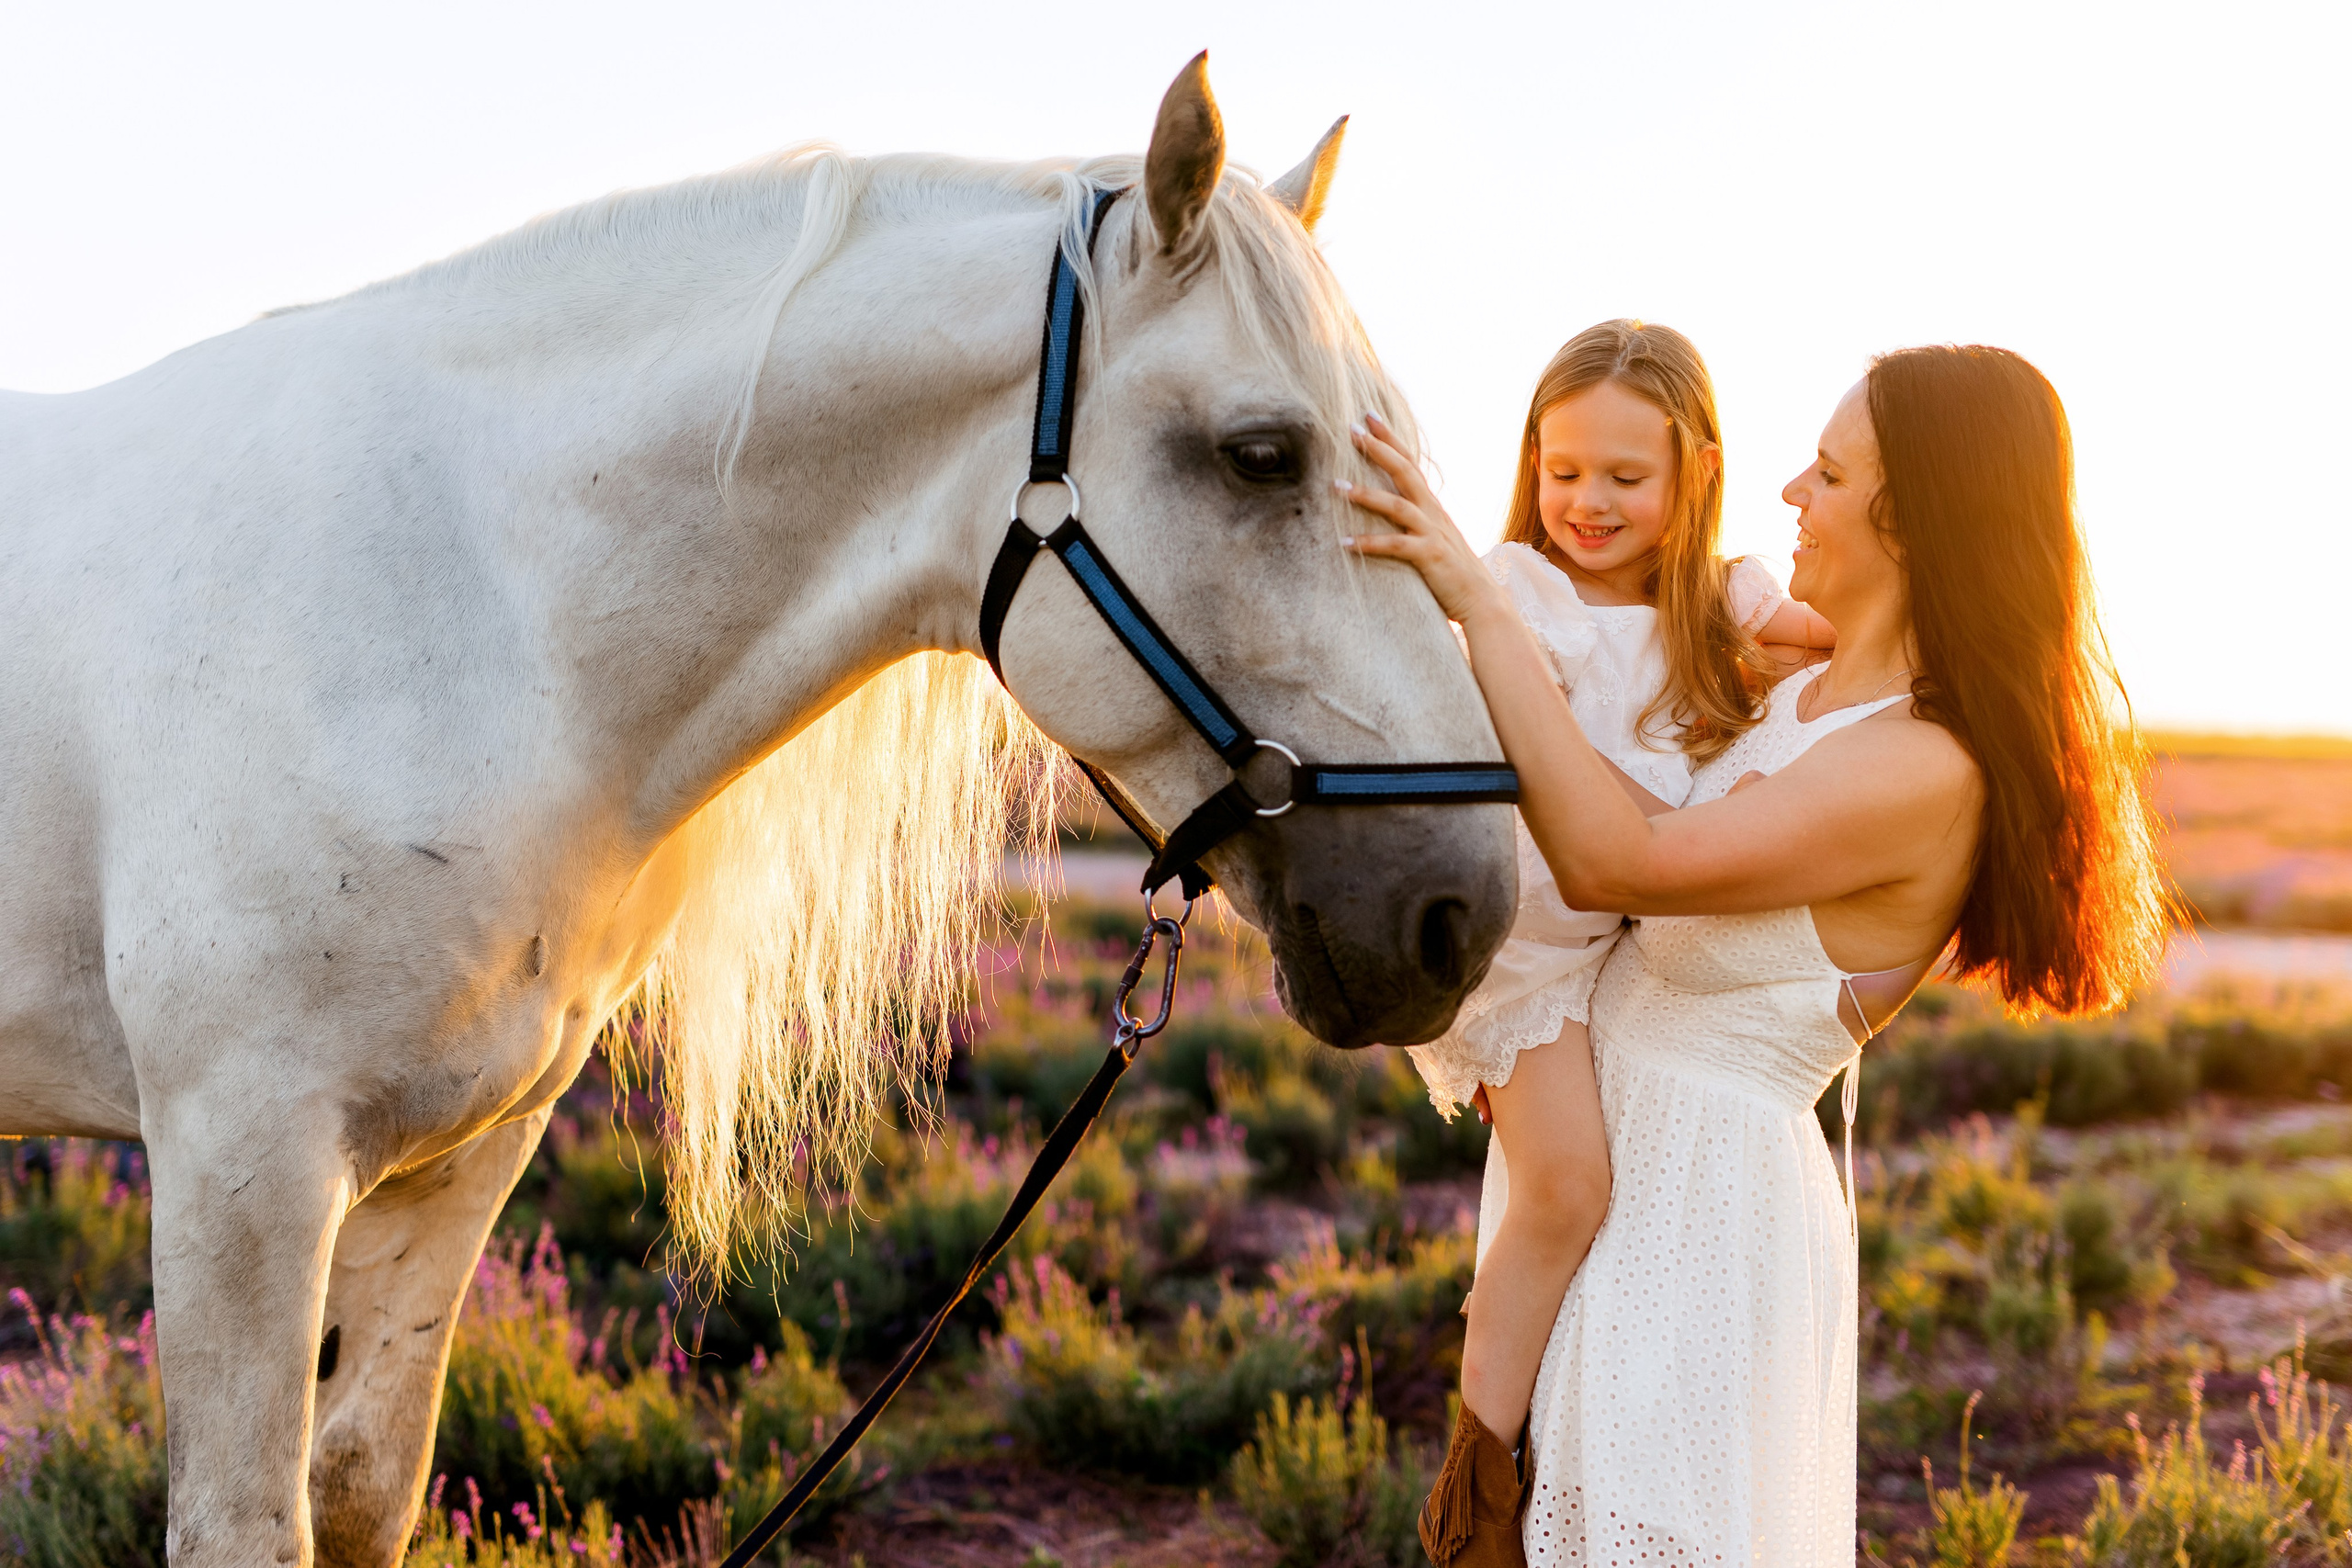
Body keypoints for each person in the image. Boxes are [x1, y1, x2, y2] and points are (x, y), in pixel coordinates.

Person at [1342, 344, 2169, 1566]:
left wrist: (1484, 605)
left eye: (1827, 473)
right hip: (1606, 1166)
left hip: (1701, 1221)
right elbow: (1625, 790)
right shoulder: (1802, 687)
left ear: (1914, 512)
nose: (1789, 493)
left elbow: (1619, 861)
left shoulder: (1921, 765)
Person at [1394, 321, 1833, 1568]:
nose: (1584, 502)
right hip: (1520, 952)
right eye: (1562, 467)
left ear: (1695, 473)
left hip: (1620, 955)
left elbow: (1826, 643)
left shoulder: (1721, 603)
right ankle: (1479, 1479)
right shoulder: (1516, 596)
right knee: (1570, 1188)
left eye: (1624, 478)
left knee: (1626, 1212)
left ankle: (1593, 1451)